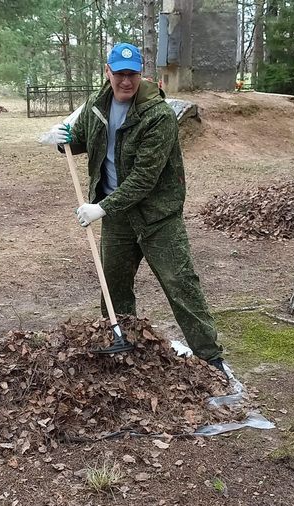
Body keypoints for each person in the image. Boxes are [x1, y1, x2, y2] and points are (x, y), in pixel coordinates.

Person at [40, 42, 225, 373]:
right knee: (114, 289)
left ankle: (211, 360)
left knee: (180, 285)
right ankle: (123, 350)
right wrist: (61, 137)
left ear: (142, 74)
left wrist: (101, 208)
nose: (126, 81)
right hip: (118, 218)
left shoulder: (158, 116)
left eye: (133, 75)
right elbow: (80, 140)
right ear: (107, 72)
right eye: (120, 74)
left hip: (157, 217)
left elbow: (143, 180)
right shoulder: (97, 105)